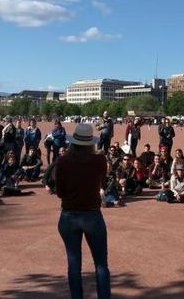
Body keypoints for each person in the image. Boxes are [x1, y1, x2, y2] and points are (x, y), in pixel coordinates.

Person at [54, 123, 111, 299]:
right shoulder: (99, 160)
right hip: (92, 214)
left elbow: (60, 192)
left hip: (69, 214)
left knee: (73, 265)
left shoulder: (63, 160)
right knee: (101, 264)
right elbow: (102, 183)